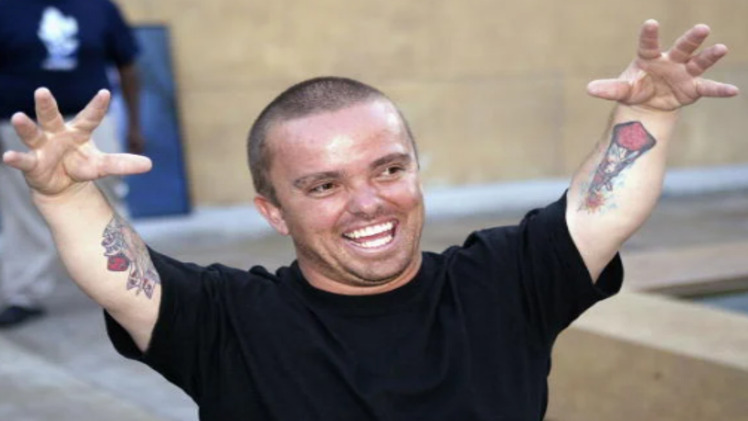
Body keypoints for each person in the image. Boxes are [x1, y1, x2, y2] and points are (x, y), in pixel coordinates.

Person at [1, 20, 739, 420]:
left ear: (416, 171)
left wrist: (650, 113)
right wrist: (64, 196)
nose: (367, 202)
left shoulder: (502, 282)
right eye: (323, 185)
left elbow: (602, 211)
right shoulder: (226, 320)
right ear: (272, 211)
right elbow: (118, 275)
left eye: (388, 169)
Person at [0, 0, 143, 326]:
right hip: (21, 125)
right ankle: (24, 292)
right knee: (22, 210)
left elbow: (128, 66)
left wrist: (134, 125)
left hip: (89, 122)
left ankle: (125, 281)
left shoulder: (98, 7)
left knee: (107, 201)